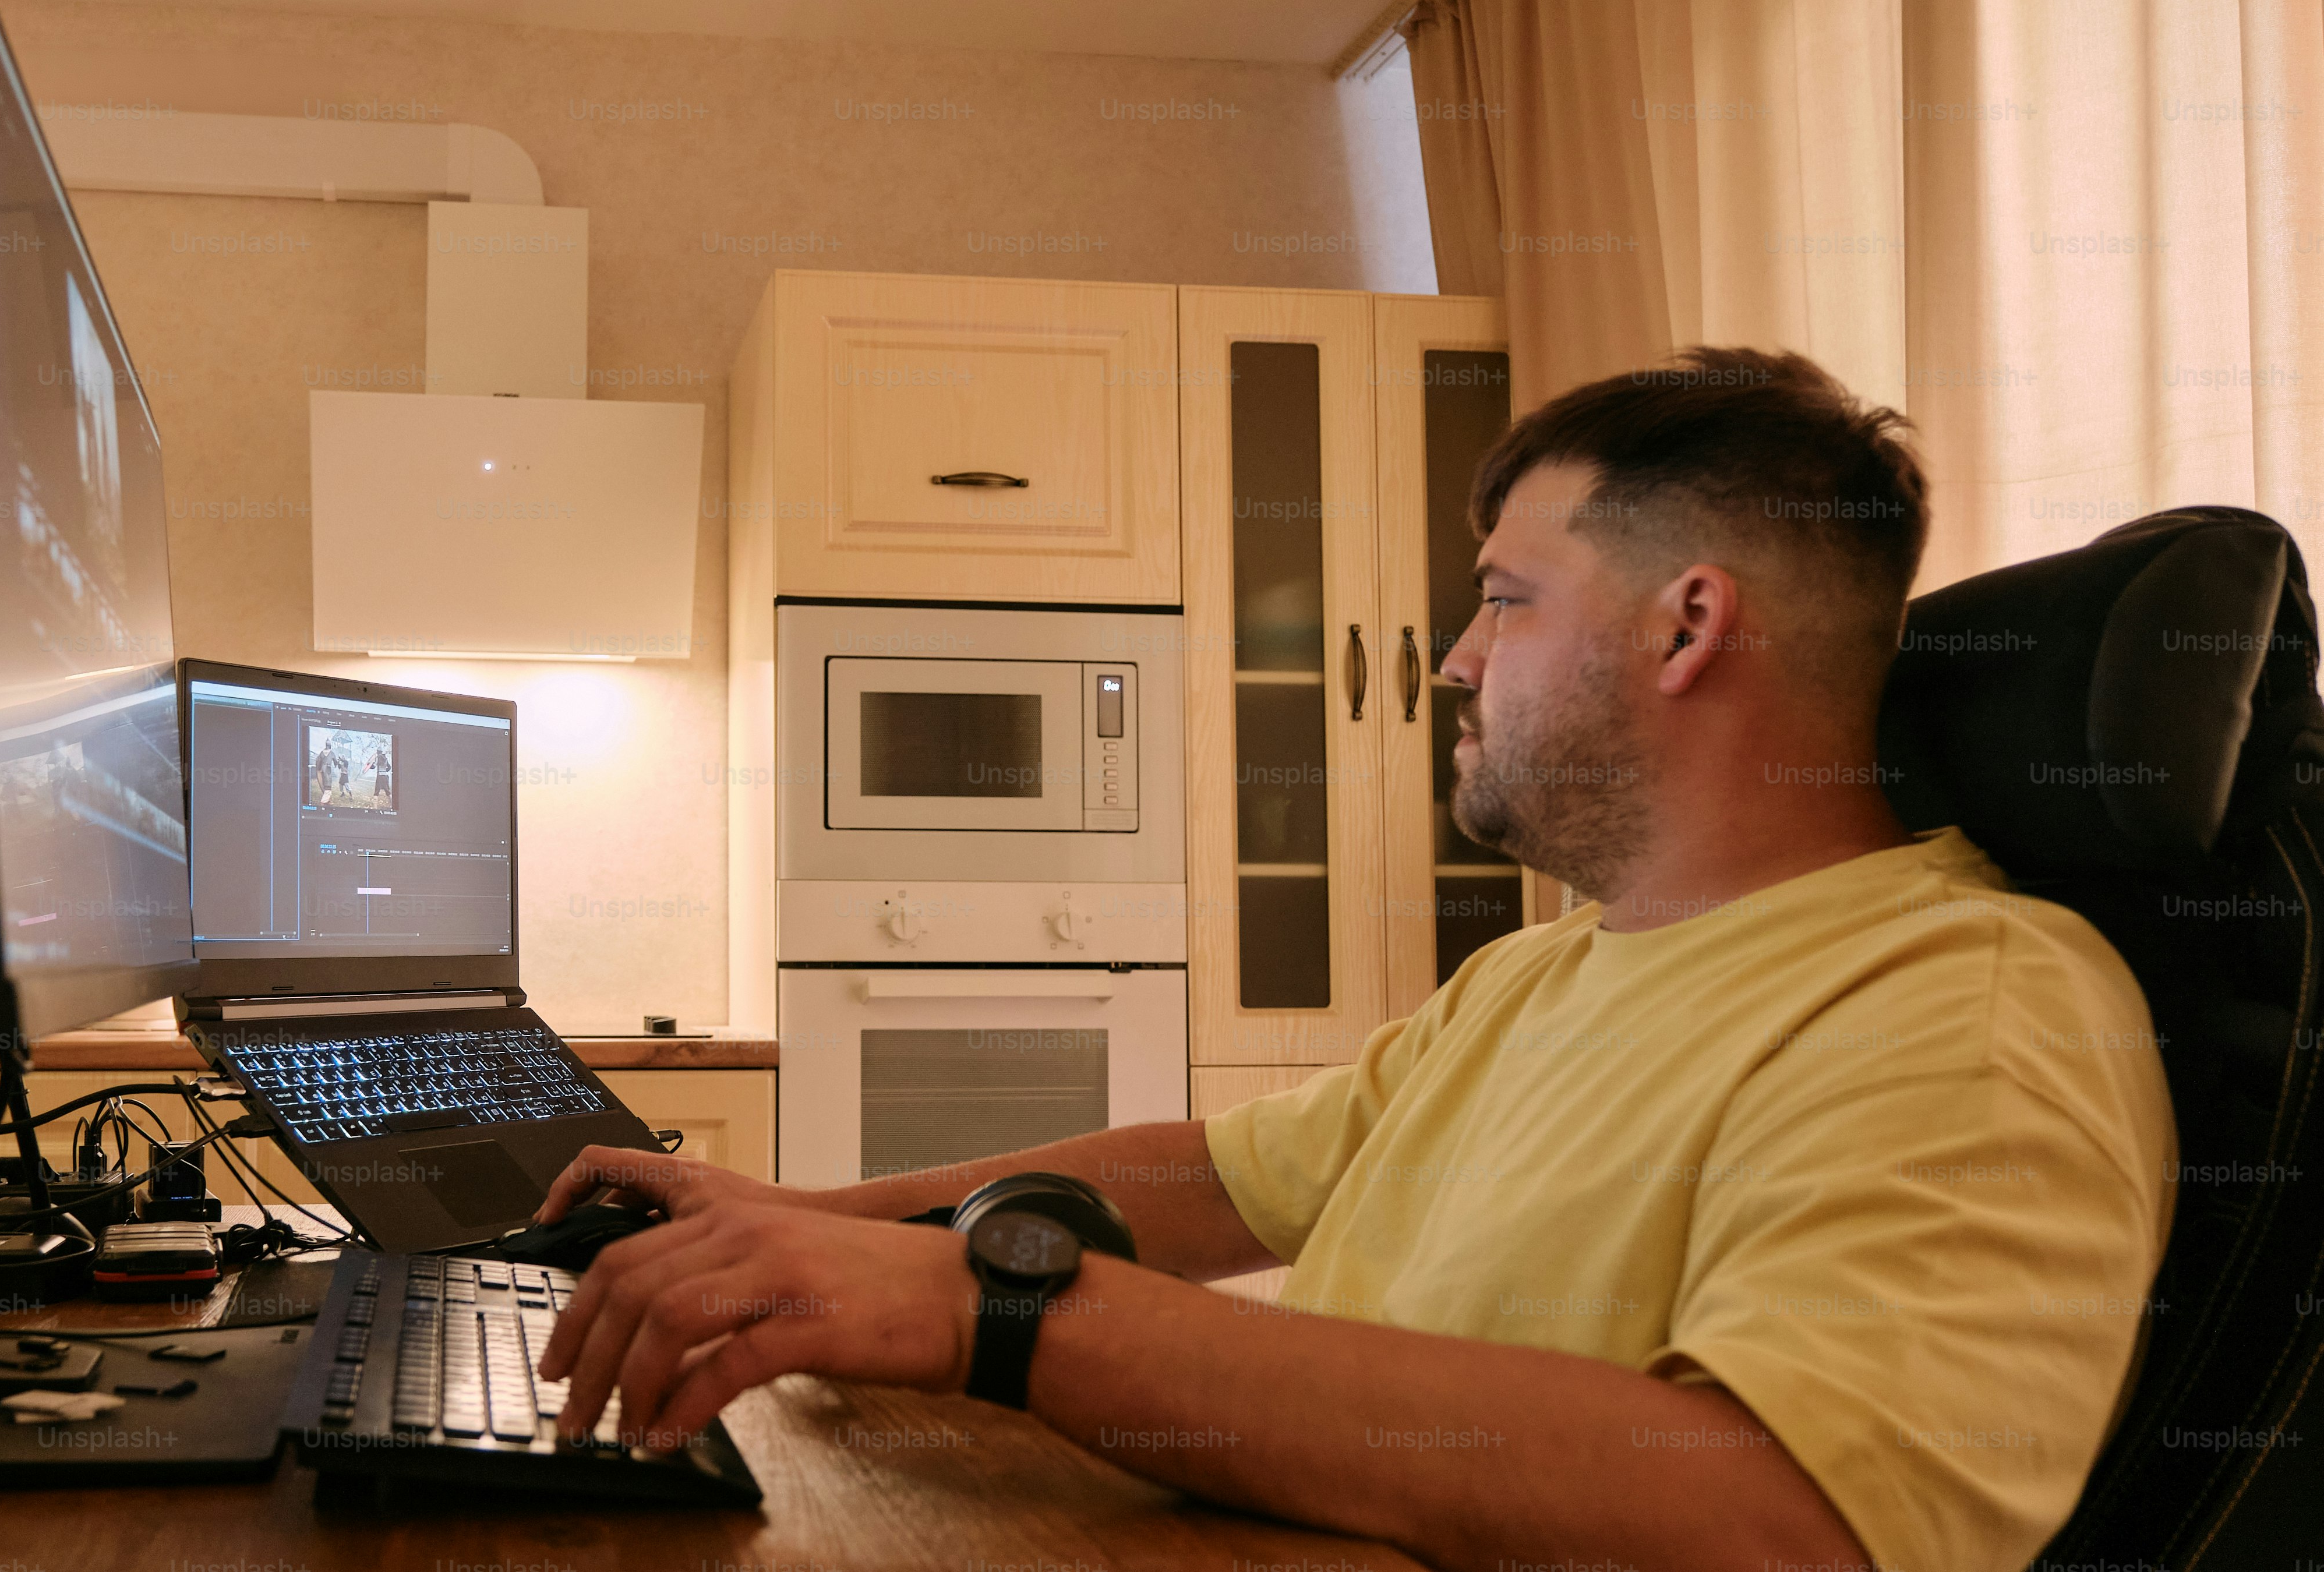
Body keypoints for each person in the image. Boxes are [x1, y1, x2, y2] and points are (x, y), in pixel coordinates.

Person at [533, 349, 2172, 1572]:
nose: (1455, 660)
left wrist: (1005, 1319)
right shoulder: (1538, 979)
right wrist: (798, 1225)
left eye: (1505, 601)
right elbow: (1207, 1177)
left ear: (1687, 626)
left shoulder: (1967, 1009)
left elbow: (1784, 1518)